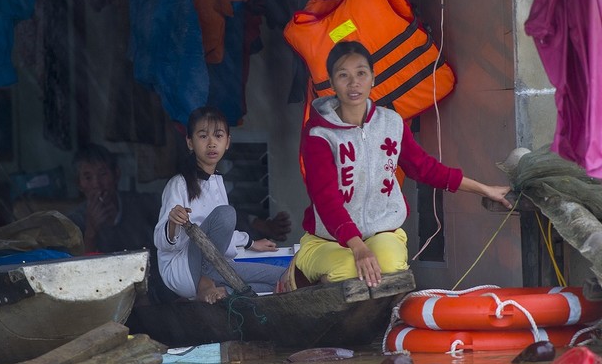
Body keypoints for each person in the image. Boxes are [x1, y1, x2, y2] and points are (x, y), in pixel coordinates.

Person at [284, 41, 512, 291]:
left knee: (390, 268)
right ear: (331, 82)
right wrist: (358, 247)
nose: (353, 83)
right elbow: (325, 198)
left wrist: (484, 189)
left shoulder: (391, 122)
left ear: (373, 77)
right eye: (343, 75)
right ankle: (301, 268)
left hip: (381, 234)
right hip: (326, 240)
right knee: (349, 273)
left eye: (361, 73)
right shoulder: (319, 133)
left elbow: (424, 168)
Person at [154, 106, 286, 304]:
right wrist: (172, 224)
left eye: (218, 135)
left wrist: (250, 243)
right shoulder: (179, 184)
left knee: (279, 282)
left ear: (227, 142)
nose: (211, 143)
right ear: (190, 142)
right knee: (226, 214)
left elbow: (218, 236)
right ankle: (205, 284)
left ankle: (221, 292)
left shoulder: (217, 182)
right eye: (203, 136)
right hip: (184, 268)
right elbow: (160, 242)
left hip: (215, 264)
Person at [66, 143, 160, 255]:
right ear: (79, 184)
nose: (97, 184)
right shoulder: (74, 222)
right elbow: (75, 267)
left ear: (116, 174)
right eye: (88, 177)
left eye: (103, 174)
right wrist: (91, 232)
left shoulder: (143, 204)